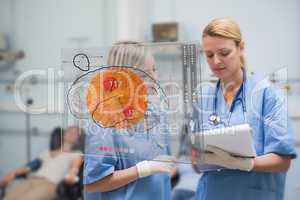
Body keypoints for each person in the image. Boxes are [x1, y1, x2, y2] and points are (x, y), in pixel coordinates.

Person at [191, 17, 297, 200]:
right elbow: (195, 162)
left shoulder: (268, 95)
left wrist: (244, 163)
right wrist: (195, 159)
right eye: (209, 55)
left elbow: (282, 161)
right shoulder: (203, 99)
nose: (216, 61)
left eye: (224, 53)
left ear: (241, 47)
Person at [84, 41, 174, 200]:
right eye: (143, 75)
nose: (154, 78)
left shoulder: (157, 114)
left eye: (154, 70)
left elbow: (166, 166)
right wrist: (142, 170)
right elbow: (93, 183)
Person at [1, 126, 83, 200]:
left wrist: (71, 176)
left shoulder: (76, 154)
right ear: (64, 135)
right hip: (31, 180)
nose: (71, 134)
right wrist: (13, 173)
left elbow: (74, 168)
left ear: (78, 140)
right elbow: (29, 167)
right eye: (69, 131)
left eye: (75, 133)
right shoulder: (46, 153)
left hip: (49, 185)